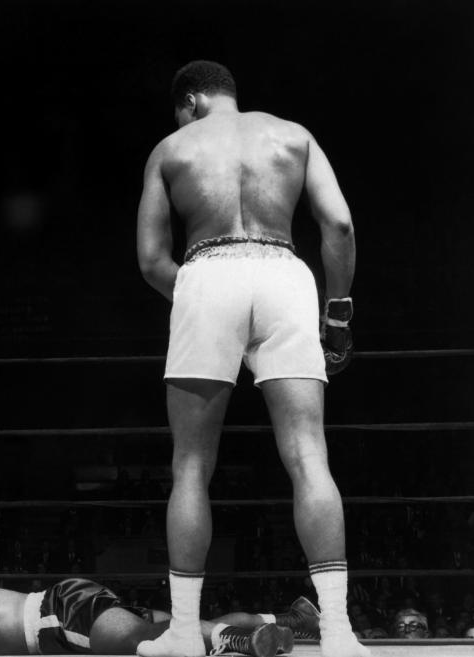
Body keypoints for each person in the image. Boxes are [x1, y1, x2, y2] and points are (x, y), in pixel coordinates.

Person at [135, 61, 363, 657]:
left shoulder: (171, 147)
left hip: (206, 271)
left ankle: (184, 634)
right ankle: (338, 632)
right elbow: (338, 223)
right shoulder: (293, 135)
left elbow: (152, 259)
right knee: (309, 456)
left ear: (190, 100)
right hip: (286, 275)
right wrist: (336, 315)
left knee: (190, 465)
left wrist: (201, 301)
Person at [0, 573, 321, 657]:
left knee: (142, 643)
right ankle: (288, 621)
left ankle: (230, 641)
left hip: (54, 616)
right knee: (163, 631)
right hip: (63, 613)